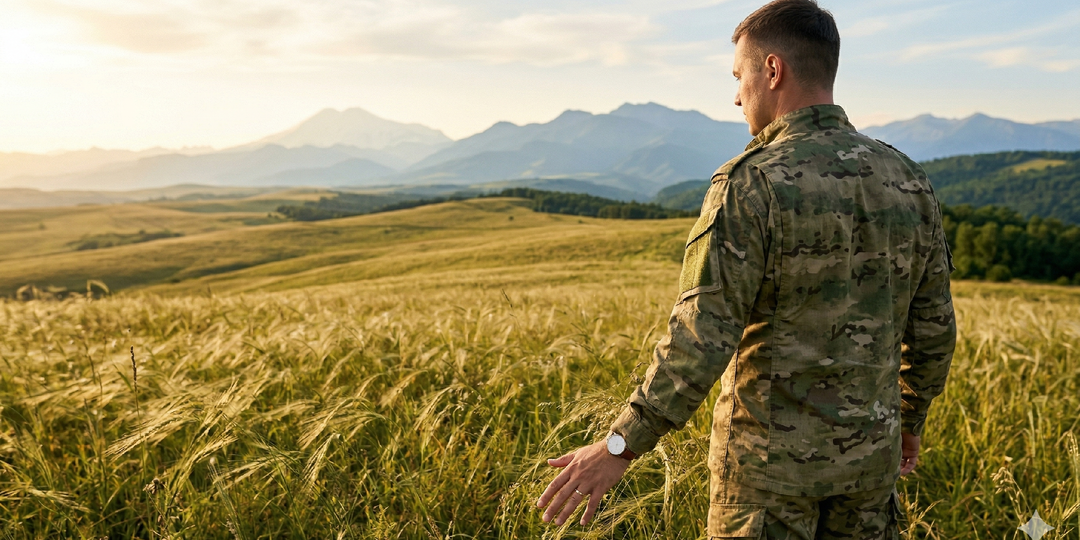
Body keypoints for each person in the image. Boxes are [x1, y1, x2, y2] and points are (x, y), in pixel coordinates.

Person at [535, 0, 957, 537]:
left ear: (773, 70)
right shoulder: (910, 181)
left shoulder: (751, 183)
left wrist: (621, 443)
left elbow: (701, 336)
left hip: (765, 482)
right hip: (870, 472)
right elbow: (935, 333)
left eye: (740, 76)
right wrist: (909, 421)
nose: (736, 95)